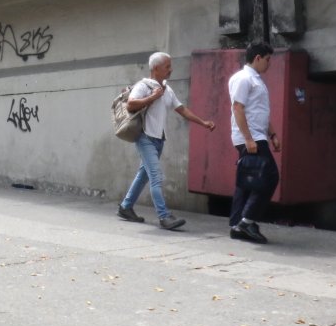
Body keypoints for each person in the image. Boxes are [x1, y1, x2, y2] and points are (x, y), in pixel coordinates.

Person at [116, 52, 216, 230]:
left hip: (159, 140)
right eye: (167, 66)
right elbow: (131, 104)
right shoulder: (144, 86)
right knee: (156, 176)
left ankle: (125, 207)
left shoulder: (167, 90)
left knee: (144, 174)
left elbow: (182, 110)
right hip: (145, 137)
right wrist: (152, 97)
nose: (171, 70)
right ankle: (164, 216)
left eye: (170, 66)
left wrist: (203, 122)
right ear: (156, 68)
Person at [227, 42, 279, 244]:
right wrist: (248, 138)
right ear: (257, 58)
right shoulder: (243, 78)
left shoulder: (255, 79)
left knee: (248, 180)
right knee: (269, 176)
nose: (269, 64)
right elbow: (238, 108)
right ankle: (246, 222)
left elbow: (258, 111)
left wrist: (272, 134)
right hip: (251, 138)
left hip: (257, 135)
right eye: (267, 59)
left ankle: (237, 224)